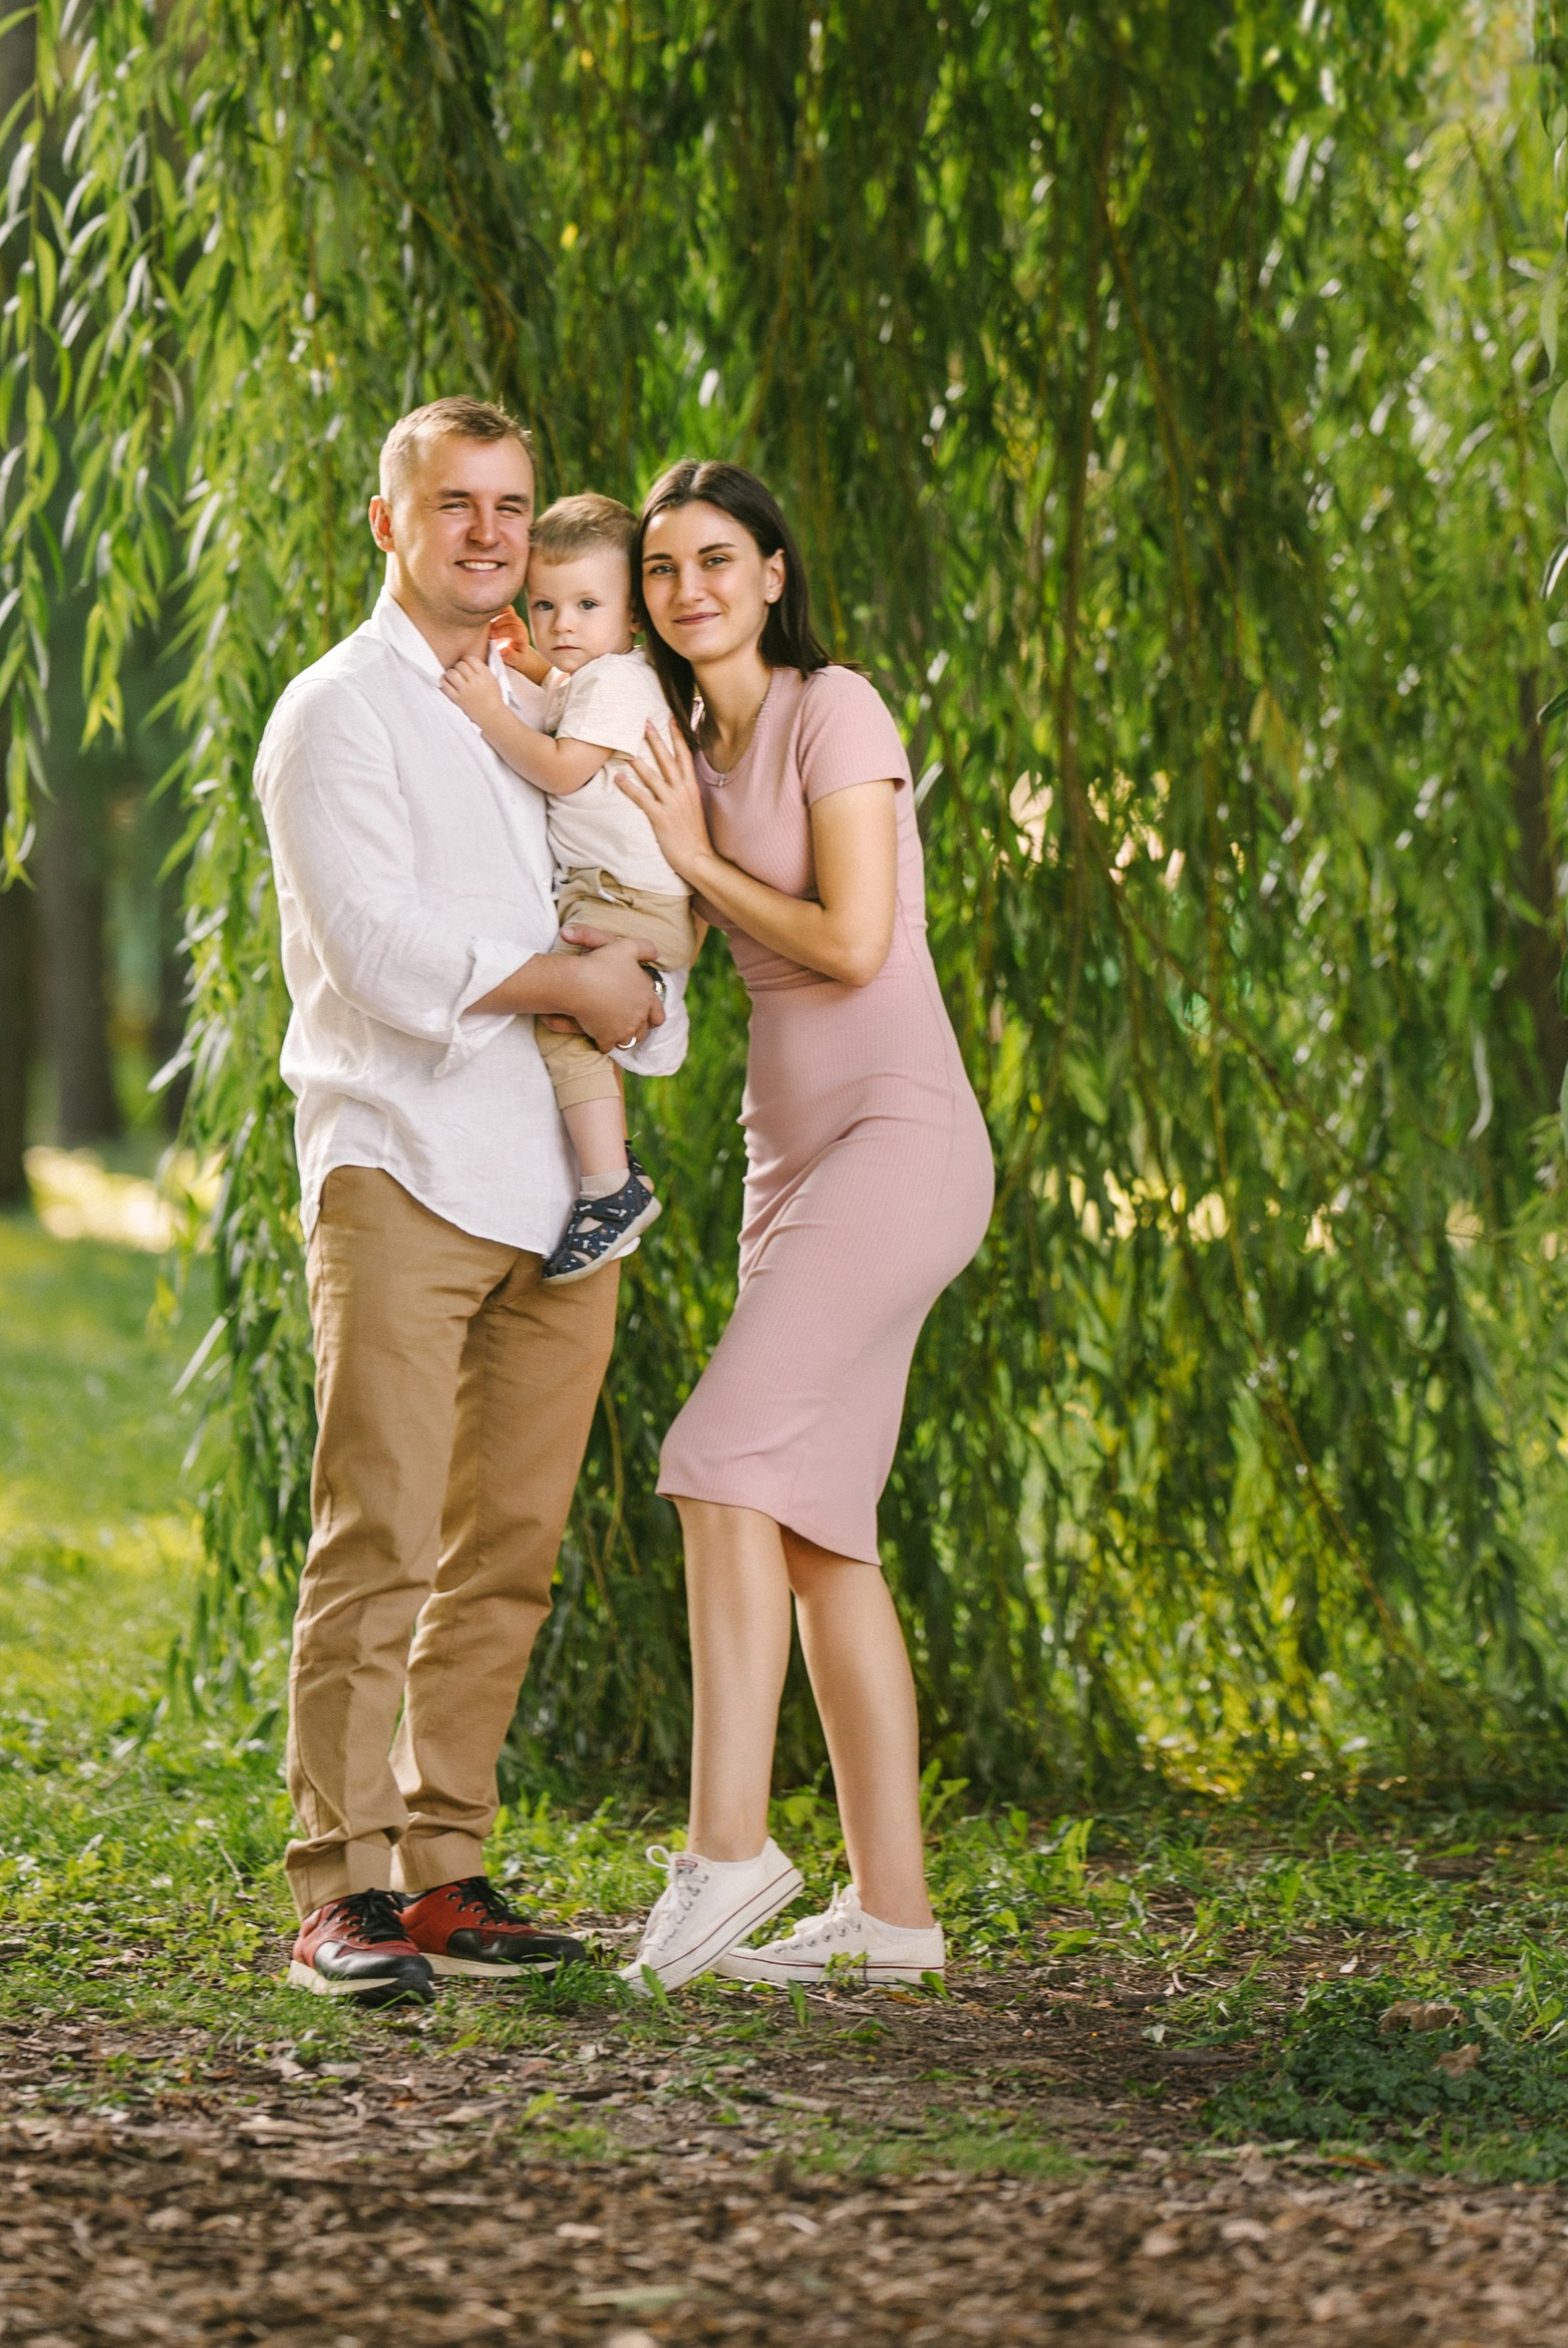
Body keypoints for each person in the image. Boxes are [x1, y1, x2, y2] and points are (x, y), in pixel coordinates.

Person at [251, 396, 687, 2005]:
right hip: (403, 1166)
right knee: (378, 1538)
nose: (490, 531)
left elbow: (629, 905)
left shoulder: (553, 703)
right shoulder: (337, 714)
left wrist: (639, 988)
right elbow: (379, 951)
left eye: (511, 505)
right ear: (390, 520)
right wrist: (574, 978)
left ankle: (445, 1873)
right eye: (456, 503)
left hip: (561, 1190)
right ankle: (338, 1887)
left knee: (508, 1549)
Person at [610, 459, 994, 1993]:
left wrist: (695, 862)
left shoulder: (840, 706)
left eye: (718, 559)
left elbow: (850, 937)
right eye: (661, 572)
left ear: (775, 571)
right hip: (789, 1163)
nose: (688, 588)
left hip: (902, 1142)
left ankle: (729, 1853)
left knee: (712, 1461)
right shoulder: (677, 745)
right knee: (829, 1540)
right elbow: (660, 938)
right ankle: (892, 1918)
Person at [438, 490, 703, 1283]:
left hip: (629, 900)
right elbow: (565, 696)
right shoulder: (597, 678)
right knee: (569, 1019)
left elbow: (558, 763)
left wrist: (491, 708)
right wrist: (528, 667)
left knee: (563, 1022)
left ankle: (610, 1186)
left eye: (587, 605)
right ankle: (610, 1170)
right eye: (545, 603)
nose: (560, 624)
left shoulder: (621, 681)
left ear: (631, 619)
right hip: (617, 895)